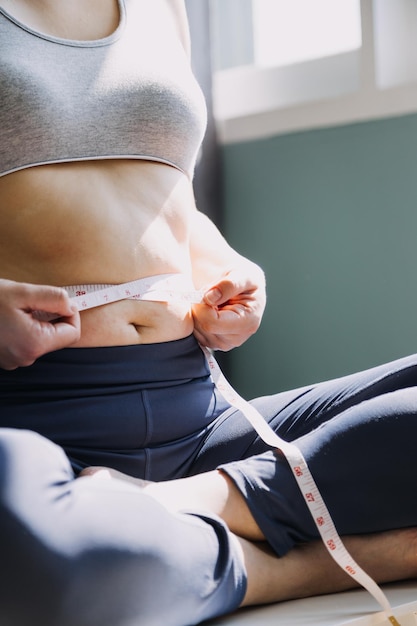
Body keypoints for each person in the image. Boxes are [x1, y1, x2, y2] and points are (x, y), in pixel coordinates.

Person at [0, 1, 416, 625]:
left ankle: (208, 503)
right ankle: (292, 566)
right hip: (34, 426)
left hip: (201, 420)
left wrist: (229, 269)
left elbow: (167, 199)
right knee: (20, 530)